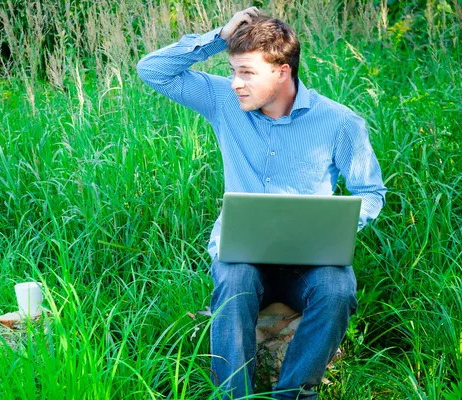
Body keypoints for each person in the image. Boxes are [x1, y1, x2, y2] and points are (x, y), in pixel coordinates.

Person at [137, 7, 387, 400]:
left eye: (247, 72)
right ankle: (233, 397)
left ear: (282, 72)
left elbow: (371, 192)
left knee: (337, 288)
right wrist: (219, 37)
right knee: (235, 280)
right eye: (234, 70)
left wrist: (337, 225)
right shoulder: (224, 100)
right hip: (244, 256)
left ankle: (293, 395)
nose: (236, 82)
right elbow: (153, 70)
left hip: (311, 259)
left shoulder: (340, 123)